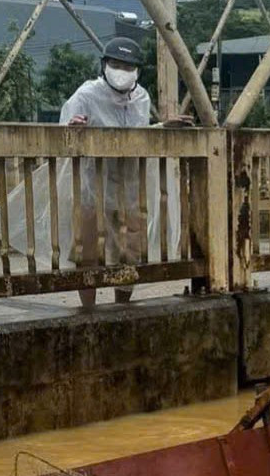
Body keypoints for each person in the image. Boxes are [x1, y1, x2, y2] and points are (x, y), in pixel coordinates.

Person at [62, 37, 192, 307]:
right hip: (93, 189)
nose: (122, 71)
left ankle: (122, 307)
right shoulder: (86, 94)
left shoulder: (141, 97)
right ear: (104, 65)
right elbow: (64, 132)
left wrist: (162, 127)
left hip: (130, 191)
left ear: (137, 71)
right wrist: (72, 129)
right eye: (116, 64)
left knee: (129, 253)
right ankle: (88, 311)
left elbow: (136, 135)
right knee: (88, 254)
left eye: (129, 66)